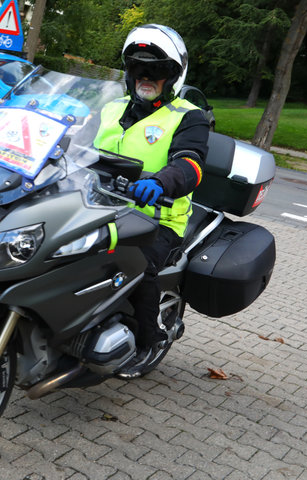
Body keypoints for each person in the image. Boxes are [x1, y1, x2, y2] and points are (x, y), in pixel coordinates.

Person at [92, 24, 209, 378]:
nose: (146, 76)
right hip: (97, 206)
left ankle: (149, 340)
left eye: (156, 70)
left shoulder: (188, 116)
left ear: (172, 75)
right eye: (138, 68)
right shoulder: (110, 108)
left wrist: (161, 182)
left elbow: (190, 163)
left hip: (156, 218)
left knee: (135, 265)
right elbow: (71, 137)